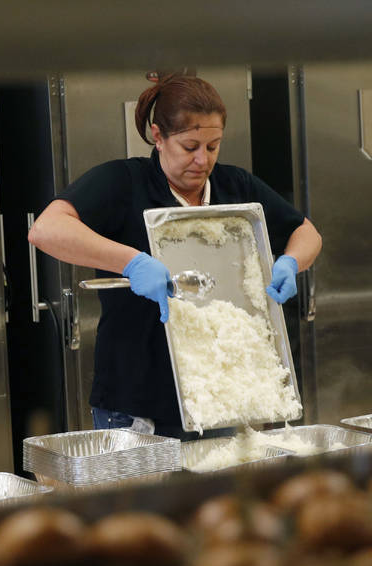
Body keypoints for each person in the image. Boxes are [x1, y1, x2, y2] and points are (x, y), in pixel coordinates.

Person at [28, 75, 322, 439]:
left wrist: (291, 261)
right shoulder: (123, 182)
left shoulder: (236, 187)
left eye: (213, 146)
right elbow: (46, 229)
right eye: (190, 146)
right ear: (158, 137)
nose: (203, 160)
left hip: (217, 396)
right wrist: (132, 261)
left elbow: (306, 232)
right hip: (135, 402)